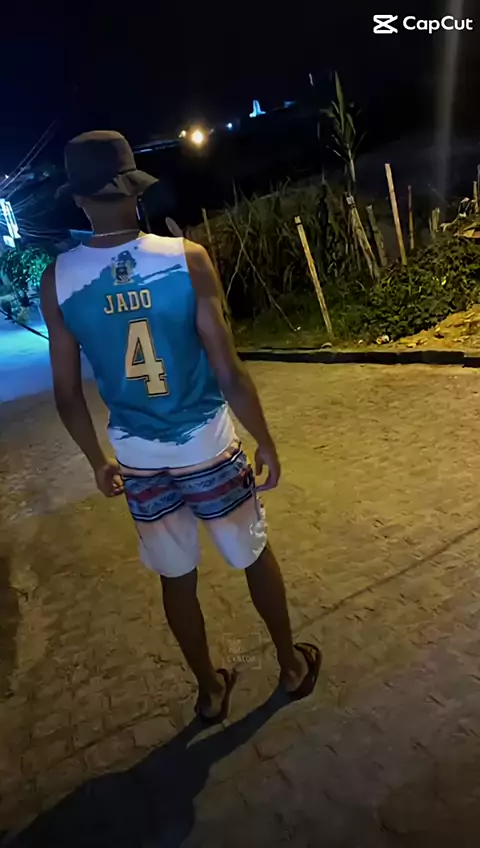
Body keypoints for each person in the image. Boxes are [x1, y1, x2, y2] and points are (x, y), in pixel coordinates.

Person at [41, 130, 321, 723]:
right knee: (252, 554)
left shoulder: (57, 280)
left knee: (176, 577)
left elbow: (67, 395)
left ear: (79, 199)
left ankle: (210, 691)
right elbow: (228, 369)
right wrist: (265, 441)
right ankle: (291, 666)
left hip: (139, 459)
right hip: (207, 445)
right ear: (135, 191)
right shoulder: (185, 259)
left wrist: (97, 461)